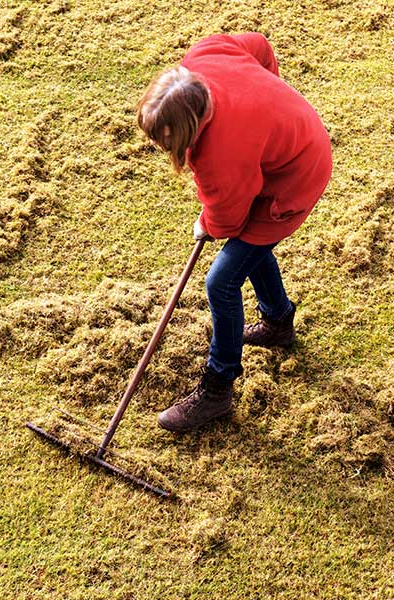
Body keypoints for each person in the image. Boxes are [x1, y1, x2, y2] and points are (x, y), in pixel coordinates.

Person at [136, 33, 332, 432]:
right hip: (289, 144)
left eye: (167, 139)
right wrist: (270, 102)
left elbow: (227, 219)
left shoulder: (220, 154)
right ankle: (278, 323)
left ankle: (217, 388)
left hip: (295, 178)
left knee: (221, 281)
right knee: (251, 249)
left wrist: (205, 222)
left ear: (191, 124)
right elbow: (259, 46)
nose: (160, 146)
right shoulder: (206, 54)